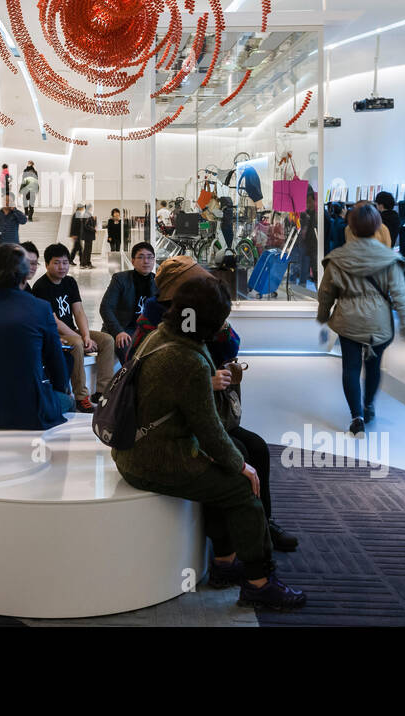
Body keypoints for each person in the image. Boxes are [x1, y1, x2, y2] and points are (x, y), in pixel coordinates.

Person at [110, 277, 306, 611]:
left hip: (138, 448)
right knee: (242, 488)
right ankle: (258, 583)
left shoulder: (162, 335)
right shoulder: (188, 360)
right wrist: (242, 468)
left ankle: (227, 564)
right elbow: (210, 429)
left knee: (230, 466)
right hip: (153, 459)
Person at [128, 255, 298, 552]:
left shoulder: (204, 309)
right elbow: (142, 373)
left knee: (256, 448)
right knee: (235, 457)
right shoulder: (156, 319)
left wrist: (217, 322)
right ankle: (228, 547)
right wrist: (203, 381)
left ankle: (262, 523)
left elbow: (232, 344)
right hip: (176, 420)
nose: (205, 282)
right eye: (196, 280)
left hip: (204, 409)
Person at [317, 201, 405, 435]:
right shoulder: (388, 259)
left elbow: (326, 291)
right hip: (379, 323)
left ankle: (356, 416)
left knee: (350, 368)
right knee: (373, 367)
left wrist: (323, 315)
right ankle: (369, 404)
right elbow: (401, 295)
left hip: (348, 320)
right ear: (377, 227)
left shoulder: (338, 258)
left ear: (350, 226)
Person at [0, 244, 72, 430]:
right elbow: (57, 368)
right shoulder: (40, 308)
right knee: (66, 400)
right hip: (30, 411)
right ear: (25, 272)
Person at [30, 244, 114, 412]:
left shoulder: (69, 282)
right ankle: (81, 397)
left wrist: (87, 336)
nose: (62, 267)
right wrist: (82, 339)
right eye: (56, 263)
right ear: (46, 264)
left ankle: (103, 392)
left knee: (107, 340)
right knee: (76, 343)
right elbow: (53, 321)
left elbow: (79, 310)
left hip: (72, 331)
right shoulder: (40, 287)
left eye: (65, 262)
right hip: (55, 335)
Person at [99, 241, 156, 363]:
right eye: (141, 257)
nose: (146, 261)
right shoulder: (120, 279)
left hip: (146, 330)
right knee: (128, 352)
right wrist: (118, 332)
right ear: (133, 261)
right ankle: (130, 382)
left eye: (150, 257)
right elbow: (106, 308)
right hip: (123, 328)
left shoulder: (158, 281)